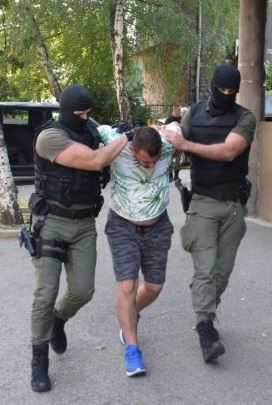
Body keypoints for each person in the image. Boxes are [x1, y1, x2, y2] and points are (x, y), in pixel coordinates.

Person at [28, 85, 128, 392]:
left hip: (84, 223)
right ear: (66, 111)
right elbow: (96, 161)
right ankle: (39, 361)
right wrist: (125, 139)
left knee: (83, 291)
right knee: (45, 294)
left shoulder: (91, 130)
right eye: (79, 114)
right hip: (51, 222)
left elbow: (106, 143)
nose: (85, 118)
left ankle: (58, 321)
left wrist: (118, 133)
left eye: (88, 113)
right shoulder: (49, 137)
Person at [161, 64, 256, 364]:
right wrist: (172, 133)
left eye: (232, 91)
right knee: (206, 269)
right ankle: (205, 328)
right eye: (222, 89)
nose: (226, 94)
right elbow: (176, 136)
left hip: (232, 205)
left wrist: (186, 143)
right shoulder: (195, 113)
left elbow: (229, 151)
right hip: (202, 201)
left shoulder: (245, 117)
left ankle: (204, 302)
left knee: (221, 273)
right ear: (213, 88)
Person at [97, 125, 175, 377]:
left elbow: (176, 126)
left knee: (153, 287)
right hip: (122, 225)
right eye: (145, 162)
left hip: (158, 225)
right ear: (133, 150)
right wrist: (123, 136)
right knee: (128, 285)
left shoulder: (167, 146)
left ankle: (130, 313)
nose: (151, 166)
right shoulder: (120, 145)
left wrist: (164, 128)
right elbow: (100, 129)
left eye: (154, 161)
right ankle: (132, 350)